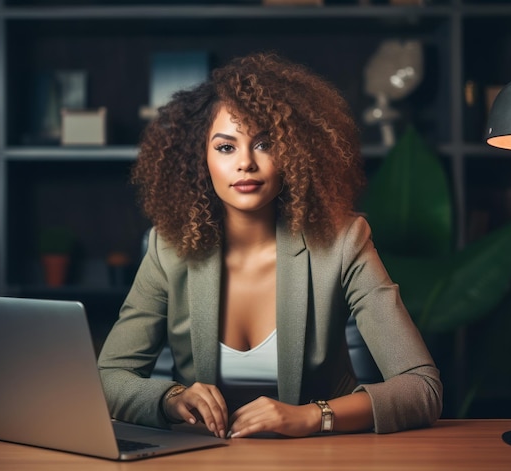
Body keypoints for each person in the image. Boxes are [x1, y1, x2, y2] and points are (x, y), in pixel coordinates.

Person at [97, 51, 442, 440]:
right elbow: (109, 377)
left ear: (295, 153)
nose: (245, 163)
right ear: (199, 159)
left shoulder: (343, 241)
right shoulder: (169, 249)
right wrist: (171, 398)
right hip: (202, 458)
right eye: (226, 147)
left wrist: (313, 416)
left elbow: (421, 387)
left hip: (319, 460)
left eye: (264, 144)